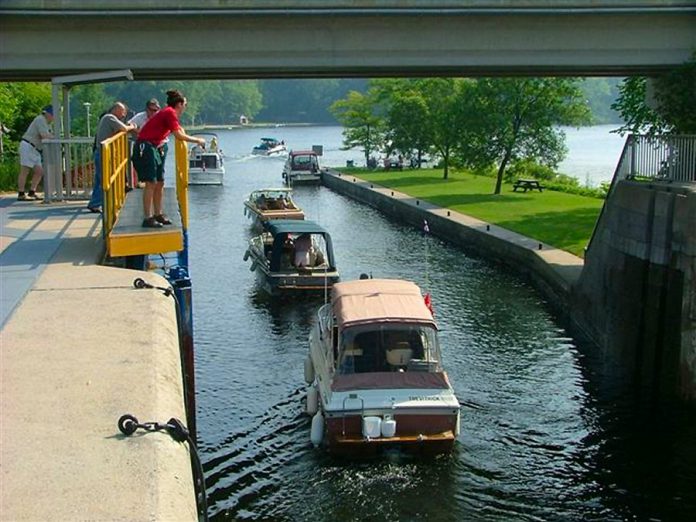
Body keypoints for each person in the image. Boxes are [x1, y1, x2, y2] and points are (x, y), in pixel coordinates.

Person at [132, 89, 205, 228]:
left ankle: (158, 213)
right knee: (151, 182)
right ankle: (147, 217)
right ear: (179, 104)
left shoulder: (169, 113)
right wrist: (197, 140)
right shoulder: (169, 112)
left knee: (160, 182)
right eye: (185, 104)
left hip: (154, 146)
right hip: (146, 147)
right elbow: (178, 135)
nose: (185, 107)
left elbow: (178, 129)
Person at [87, 102, 136, 213]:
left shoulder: (107, 118)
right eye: (122, 111)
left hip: (101, 152)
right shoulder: (110, 117)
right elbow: (123, 128)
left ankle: (95, 203)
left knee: (100, 179)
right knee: (104, 179)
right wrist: (132, 126)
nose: (123, 114)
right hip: (103, 153)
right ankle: (95, 203)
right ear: (116, 109)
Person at [17, 105, 54, 201]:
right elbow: (44, 135)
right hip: (28, 146)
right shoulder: (40, 120)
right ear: (48, 114)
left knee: (40, 172)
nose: (54, 118)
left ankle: (32, 192)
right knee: (25, 170)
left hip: (35, 149)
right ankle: (21, 194)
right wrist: (55, 138)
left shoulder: (47, 123)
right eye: (53, 115)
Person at [128, 99, 161, 189]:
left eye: (156, 110)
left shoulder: (161, 117)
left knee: (157, 168)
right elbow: (129, 124)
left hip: (159, 145)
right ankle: (144, 180)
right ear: (147, 109)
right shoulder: (140, 116)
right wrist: (137, 131)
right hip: (144, 144)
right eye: (152, 110)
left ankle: (153, 183)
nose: (155, 112)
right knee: (136, 159)